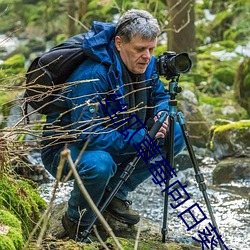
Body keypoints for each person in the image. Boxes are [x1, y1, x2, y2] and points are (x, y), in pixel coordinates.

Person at [41, 9, 185, 241]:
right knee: (100, 164)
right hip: (67, 149)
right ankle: (76, 221)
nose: (147, 56)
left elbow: (159, 96)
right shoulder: (92, 75)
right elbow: (86, 134)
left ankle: (115, 193)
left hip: (118, 135)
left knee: (175, 133)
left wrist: (162, 113)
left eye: (151, 49)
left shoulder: (145, 64)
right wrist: (140, 138)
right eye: (140, 49)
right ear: (119, 43)